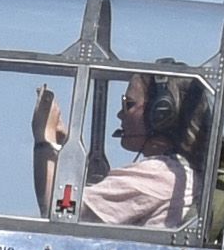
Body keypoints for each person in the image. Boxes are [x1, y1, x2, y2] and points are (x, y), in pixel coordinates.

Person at [40, 73, 205, 227]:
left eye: (128, 104)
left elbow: (60, 213)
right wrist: (66, 143)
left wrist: (44, 137)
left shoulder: (160, 175)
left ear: (160, 114)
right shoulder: (180, 173)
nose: (120, 114)